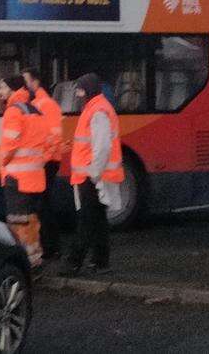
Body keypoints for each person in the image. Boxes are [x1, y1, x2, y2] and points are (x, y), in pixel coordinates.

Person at [59, 73, 123, 277]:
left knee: (86, 221)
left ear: (87, 89)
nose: (77, 93)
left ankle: (73, 263)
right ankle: (100, 262)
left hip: (92, 176)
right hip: (94, 175)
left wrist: (94, 173)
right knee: (98, 220)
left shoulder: (97, 111)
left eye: (79, 88)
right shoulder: (97, 108)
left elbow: (101, 147)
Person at [0, 75, 49, 266]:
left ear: (12, 89)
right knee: (31, 222)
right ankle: (35, 259)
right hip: (35, 178)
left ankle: (23, 263)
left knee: (18, 223)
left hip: (16, 178)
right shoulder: (36, 111)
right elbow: (45, 144)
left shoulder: (13, 112)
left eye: (2, 88)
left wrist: (3, 163)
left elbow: (10, 146)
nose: (0, 92)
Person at [21, 67, 64, 261]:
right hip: (42, 161)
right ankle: (48, 246)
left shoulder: (46, 105)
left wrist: (42, 159)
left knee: (42, 205)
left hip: (47, 161)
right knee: (40, 205)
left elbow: (54, 137)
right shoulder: (36, 103)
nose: (24, 85)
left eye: (26, 81)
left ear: (35, 82)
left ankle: (51, 247)